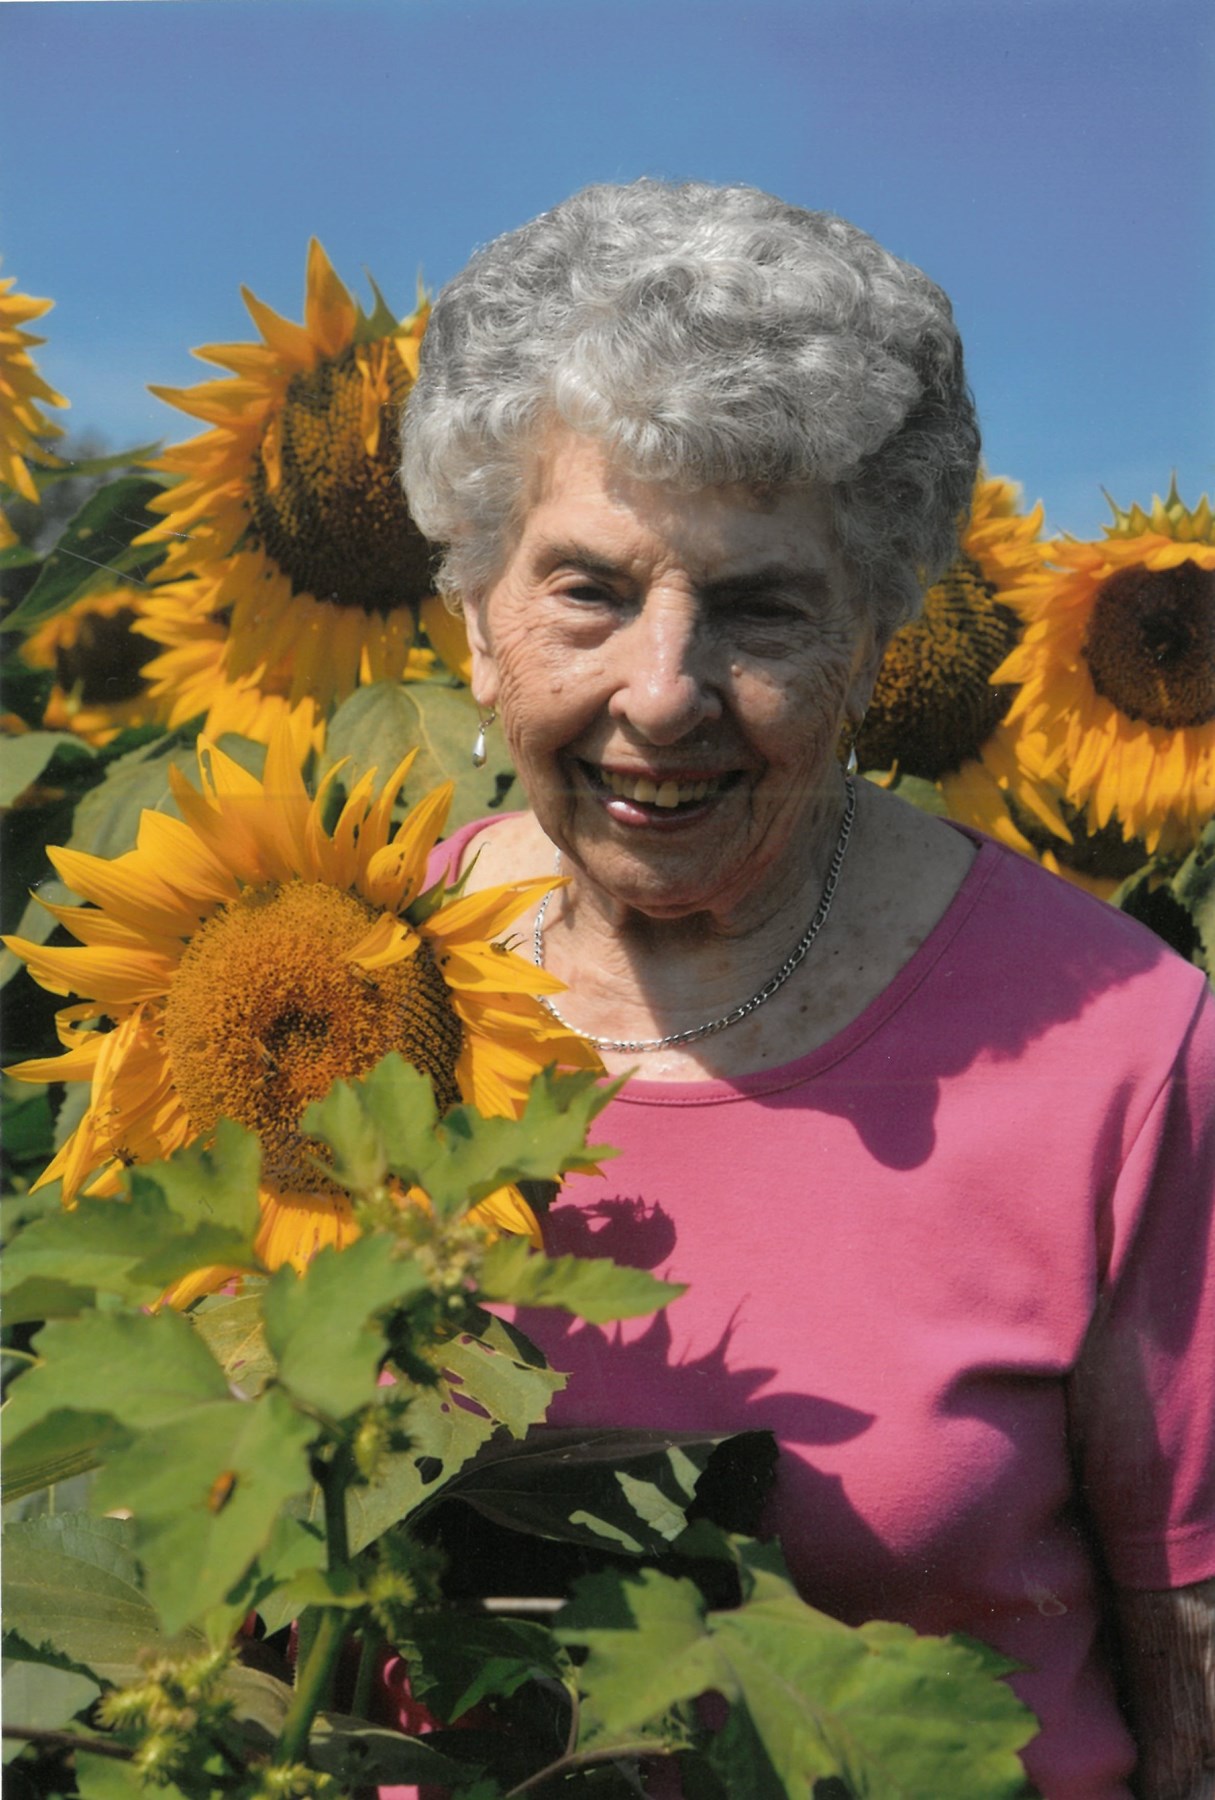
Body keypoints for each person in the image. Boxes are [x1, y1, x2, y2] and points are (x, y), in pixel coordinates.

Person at [400, 180, 1215, 1799]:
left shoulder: (1122, 1054)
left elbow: (1197, 1684)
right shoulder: (328, 988)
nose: (664, 692)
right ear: (477, 618)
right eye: (590, 588)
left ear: (877, 638)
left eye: (761, 607)